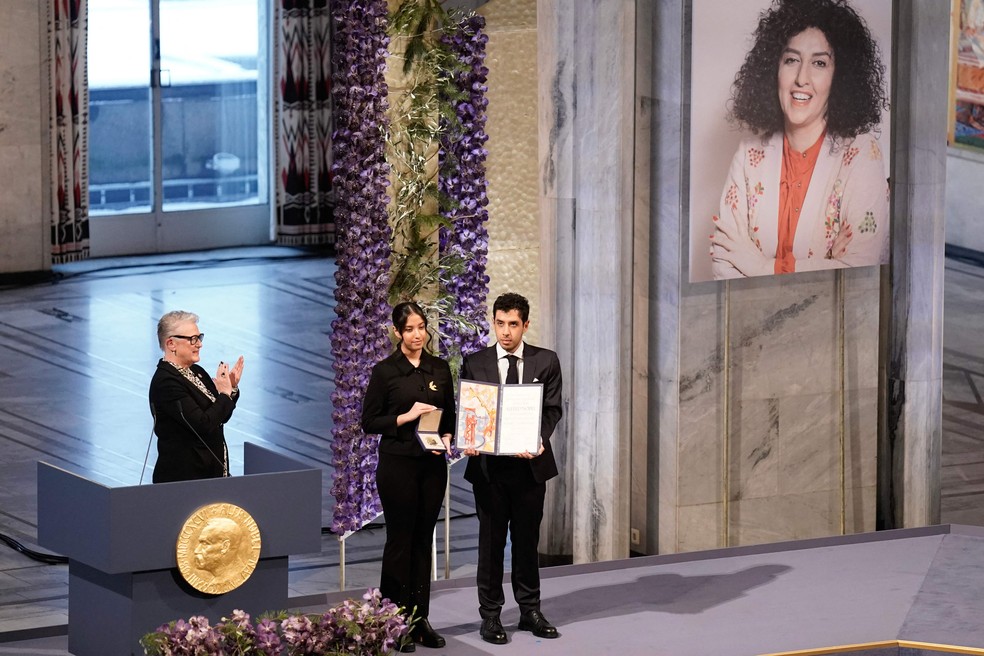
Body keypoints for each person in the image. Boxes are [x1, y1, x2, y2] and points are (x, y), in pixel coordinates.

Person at [710, 0, 889, 279]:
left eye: (819, 63)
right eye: (791, 60)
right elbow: (723, 263)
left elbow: (859, 271)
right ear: (774, 69)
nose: (802, 79)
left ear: (840, 77)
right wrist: (827, 264)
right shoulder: (748, 154)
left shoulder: (861, 153)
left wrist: (762, 266)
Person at [461, 292, 563, 645]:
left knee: (526, 541)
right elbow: (469, 410)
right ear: (493, 322)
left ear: (526, 325)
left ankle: (529, 610)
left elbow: (552, 409)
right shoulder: (475, 363)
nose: (505, 332)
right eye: (500, 323)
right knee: (490, 544)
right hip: (489, 470)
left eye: (513, 324)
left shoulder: (545, 361)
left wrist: (538, 438)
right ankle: (490, 616)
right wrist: (469, 437)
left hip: (530, 468)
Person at [361, 302, 456, 652]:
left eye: (421, 327)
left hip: (431, 466)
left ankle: (419, 620)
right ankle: (392, 621)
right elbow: (369, 421)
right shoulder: (385, 372)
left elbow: (450, 415)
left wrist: (447, 437)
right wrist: (405, 416)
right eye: (410, 329)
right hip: (398, 465)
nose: (418, 335)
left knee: (422, 541)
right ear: (397, 332)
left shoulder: (439, 368)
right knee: (400, 541)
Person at [149, 310, 244, 483]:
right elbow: (203, 424)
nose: (199, 344)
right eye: (192, 339)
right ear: (171, 344)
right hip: (185, 479)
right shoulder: (166, 382)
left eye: (199, 338)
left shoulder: (196, 371)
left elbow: (219, 417)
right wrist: (224, 394)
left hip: (210, 473)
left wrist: (230, 388)